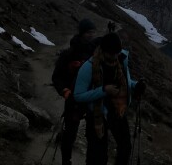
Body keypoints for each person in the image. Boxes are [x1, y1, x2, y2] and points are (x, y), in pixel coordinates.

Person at [74, 33, 146, 165]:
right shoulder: (89, 67)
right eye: (111, 54)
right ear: (104, 51)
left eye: (116, 53)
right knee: (97, 157)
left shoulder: (120, 60)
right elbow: (78, 95)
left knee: (125, 148)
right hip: (97, 114)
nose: (114, 57)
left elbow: (125, 81)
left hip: (117, 110)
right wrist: (103, 90)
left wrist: (136, 86)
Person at [51, 18, 99, 165]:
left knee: (92, 135)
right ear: (82, 33)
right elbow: (57, 77)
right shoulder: (68, 54)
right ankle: (67, 161)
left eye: (92, 32)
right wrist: (64, 91)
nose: (91, 35)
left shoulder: (94, 51)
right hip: (73, 99)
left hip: (91, 98)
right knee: (70, 134)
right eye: (88, 32)